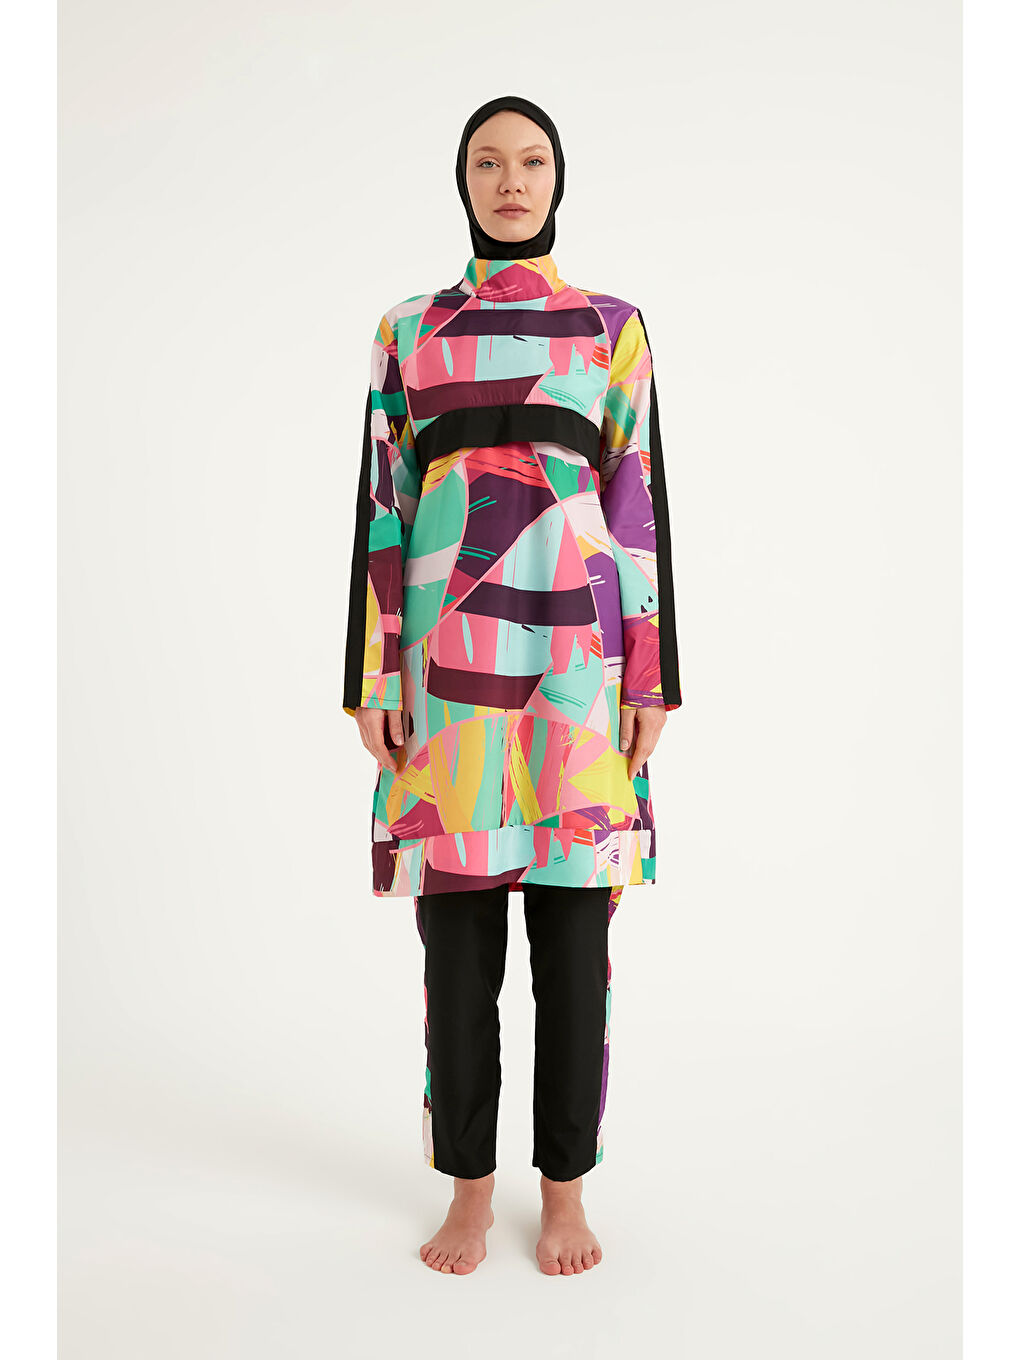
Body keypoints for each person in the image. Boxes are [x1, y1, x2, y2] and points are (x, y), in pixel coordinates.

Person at [342, 94, 682, 1276]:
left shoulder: (610, 331)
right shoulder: (408, 332)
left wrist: (651, 673)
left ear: (557, 178)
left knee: (576, 948)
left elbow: (639, 506)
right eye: (487, 161)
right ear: (464, 181)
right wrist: (374, 672)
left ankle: (566, 1192)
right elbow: (382, 508)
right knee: (457, 953)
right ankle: (470, 1190)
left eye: (530, 160)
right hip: (444, 682)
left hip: (578, 679)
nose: (510, 180)